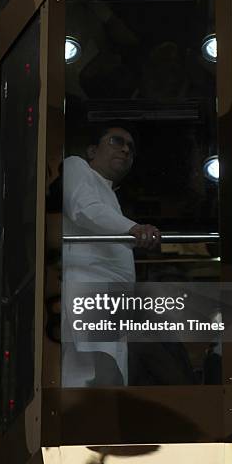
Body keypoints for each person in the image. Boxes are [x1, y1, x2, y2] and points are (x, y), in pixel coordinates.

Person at [62, 122, 160, 386]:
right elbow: (84, 208)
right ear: (92, 151)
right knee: (89, 380)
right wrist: (135, 228)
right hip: (88, 288)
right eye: (116, 141)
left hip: (111, 299)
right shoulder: (75, 166)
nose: (126, 149)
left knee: (104, 381)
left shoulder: (110, 194)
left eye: (131, 147)